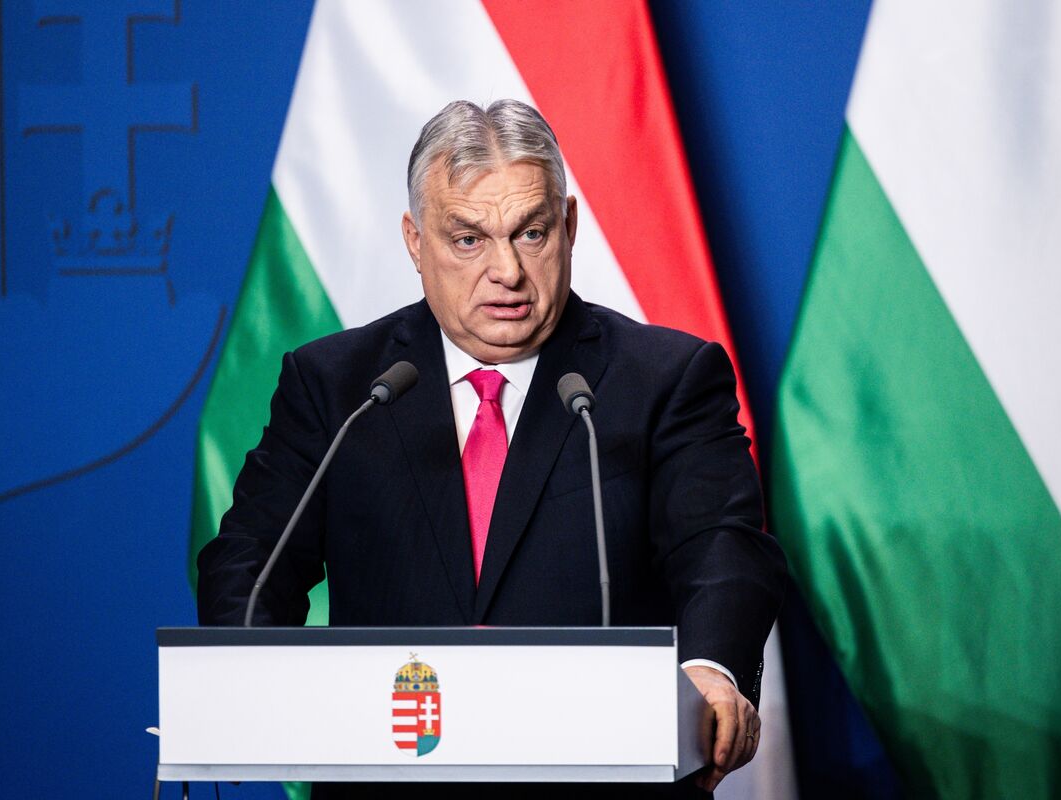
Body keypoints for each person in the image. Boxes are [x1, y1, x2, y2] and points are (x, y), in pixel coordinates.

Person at [197, 99, 786, 798]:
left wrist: (710, 669)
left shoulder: (665, 379)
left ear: (568, 226)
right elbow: (252, 556)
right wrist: (245, 676)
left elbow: (720, 545)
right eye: (468, 239)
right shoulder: (339, 387)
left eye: (531, 233)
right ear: (415, 241)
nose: (507, 269)